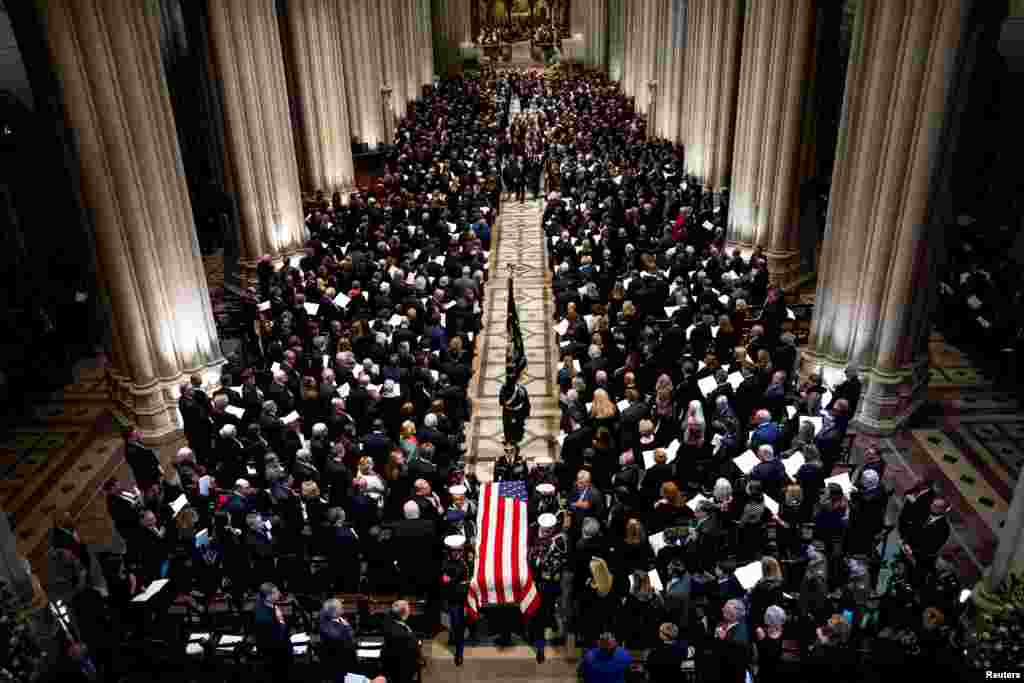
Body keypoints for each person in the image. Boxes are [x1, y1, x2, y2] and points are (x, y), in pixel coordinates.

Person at [440, 535, 470, 666]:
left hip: (466, 598)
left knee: (462, 624)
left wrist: (454, 581)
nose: (457, 553)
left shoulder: (466, 561)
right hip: (454, 600)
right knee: (457, 625)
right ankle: (459, 653)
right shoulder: (446, 563)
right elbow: (446, 582)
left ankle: (458, 645)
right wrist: (456, 582)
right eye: (454, 551)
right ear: (450, 551)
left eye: (459, 551)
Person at [253, 583, 292, 680]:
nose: (279, 593)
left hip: (275, 647)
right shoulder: (265, 618)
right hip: (276, 656)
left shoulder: (266, 604)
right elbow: (279, 636)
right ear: (268, 597)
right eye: (276, 592)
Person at [382, 600, 421, 683]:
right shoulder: (403, 634)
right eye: (409, 610)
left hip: (390, 662)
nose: (410, 612)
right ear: (404, 613)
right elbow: (415, 651)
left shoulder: (389, 623)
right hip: (401, 668)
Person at [319, 598, 355, 682]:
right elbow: (345, 638)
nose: (343, 608)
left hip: (342, 658)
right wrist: (347, 626)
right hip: (337, 663)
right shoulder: (327, 625)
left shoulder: (337, 620)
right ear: (335, 611)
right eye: (341, 607)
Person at [500, 371, 531, 446]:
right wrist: (526, 413)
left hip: (508, 412)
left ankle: (508, 441)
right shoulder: (522, 389)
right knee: (519, 427)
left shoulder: (503, 389)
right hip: (519, 412)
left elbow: (501, 402)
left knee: (507, 428)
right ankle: (516, 441)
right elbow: (526, 403)